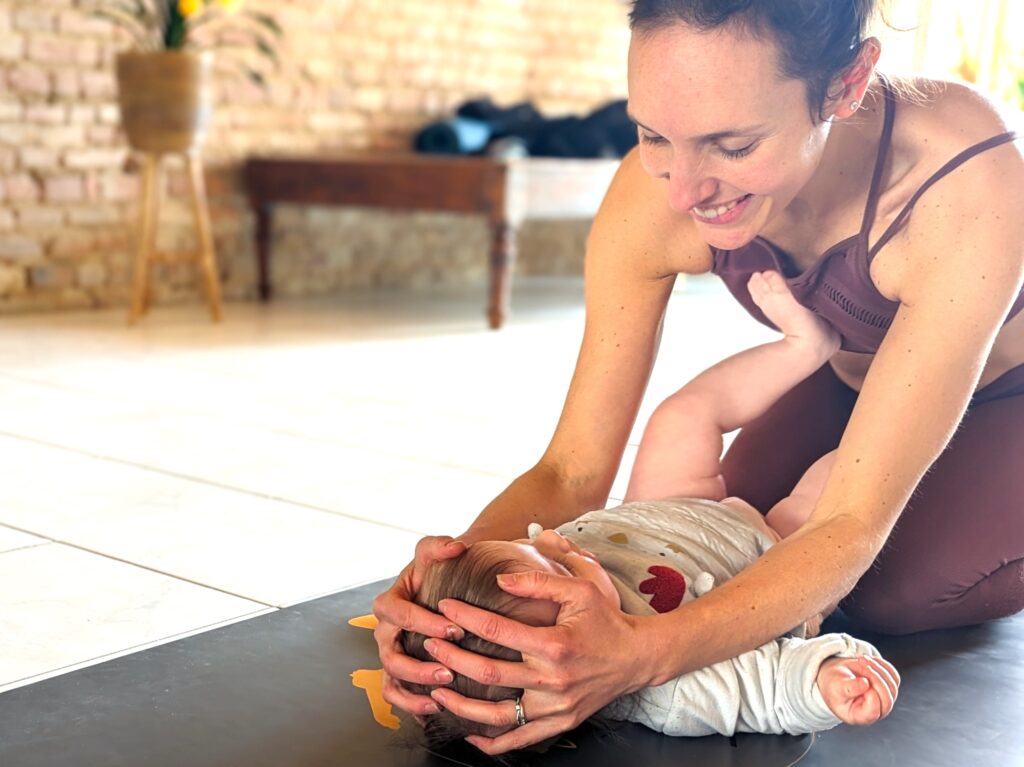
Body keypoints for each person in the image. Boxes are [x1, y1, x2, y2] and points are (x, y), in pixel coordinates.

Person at [374, 0, 1024, 755]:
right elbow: (572, 467)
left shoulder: (965, 183)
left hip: (1010, 394)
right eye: (654, 135)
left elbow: (851, 525)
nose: (682, 190)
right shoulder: (656, 192)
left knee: (876, 590)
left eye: (733, 144)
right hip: (849, 372)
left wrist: (635, 659)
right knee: (732, 545)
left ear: (847, 86)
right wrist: (442, 603)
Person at [399, 270, 900, 747]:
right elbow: (762, 690)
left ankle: (804, 347)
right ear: (562, 664)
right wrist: (825, 680)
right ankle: (896, 415)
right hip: (768, 552)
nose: (552, 537)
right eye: (556, 564)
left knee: (679, 418)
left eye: (528, 545)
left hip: (657, 510)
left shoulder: (540, 570)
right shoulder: (669, 696)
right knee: (838, 486)